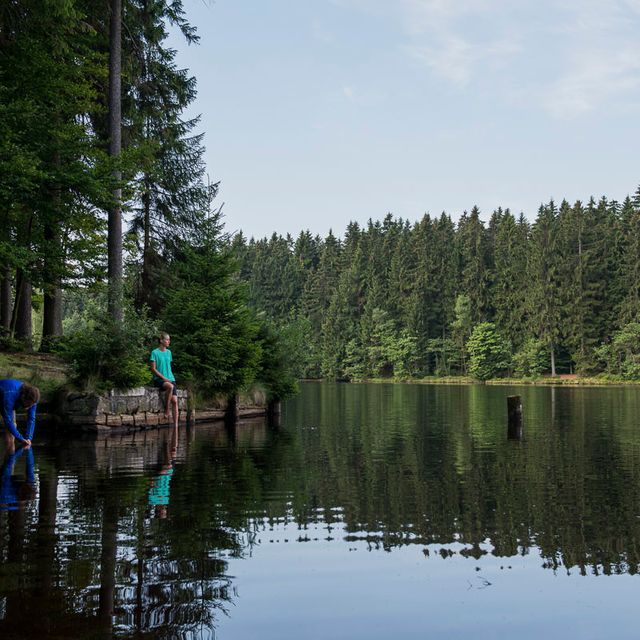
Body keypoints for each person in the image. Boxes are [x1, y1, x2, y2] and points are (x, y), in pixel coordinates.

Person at [0, 379, 40, 448]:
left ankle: (10, 457)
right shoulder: (9, 396)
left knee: (11, 438)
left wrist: (28, 439)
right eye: (28, 404)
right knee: (10, 425)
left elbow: (31, 419)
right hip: (5, 396)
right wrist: (21, 439)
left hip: (9, 403)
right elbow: (8, 421)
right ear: (23, 396)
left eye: (31, 405)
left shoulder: (33, 399)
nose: (28, 408)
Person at [150, 332, 178, 427]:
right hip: (159, 379)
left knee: (175, 401)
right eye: (167, 339)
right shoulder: (154, 352)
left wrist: (169, 377)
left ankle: (176, 426)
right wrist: (164, 378)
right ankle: (167, 410)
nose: (168, 341)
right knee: (170, 386)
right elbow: (153, 369)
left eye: (169, 339)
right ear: (161, 340)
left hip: (170, 378)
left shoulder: (169, 352)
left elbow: (168, 366)